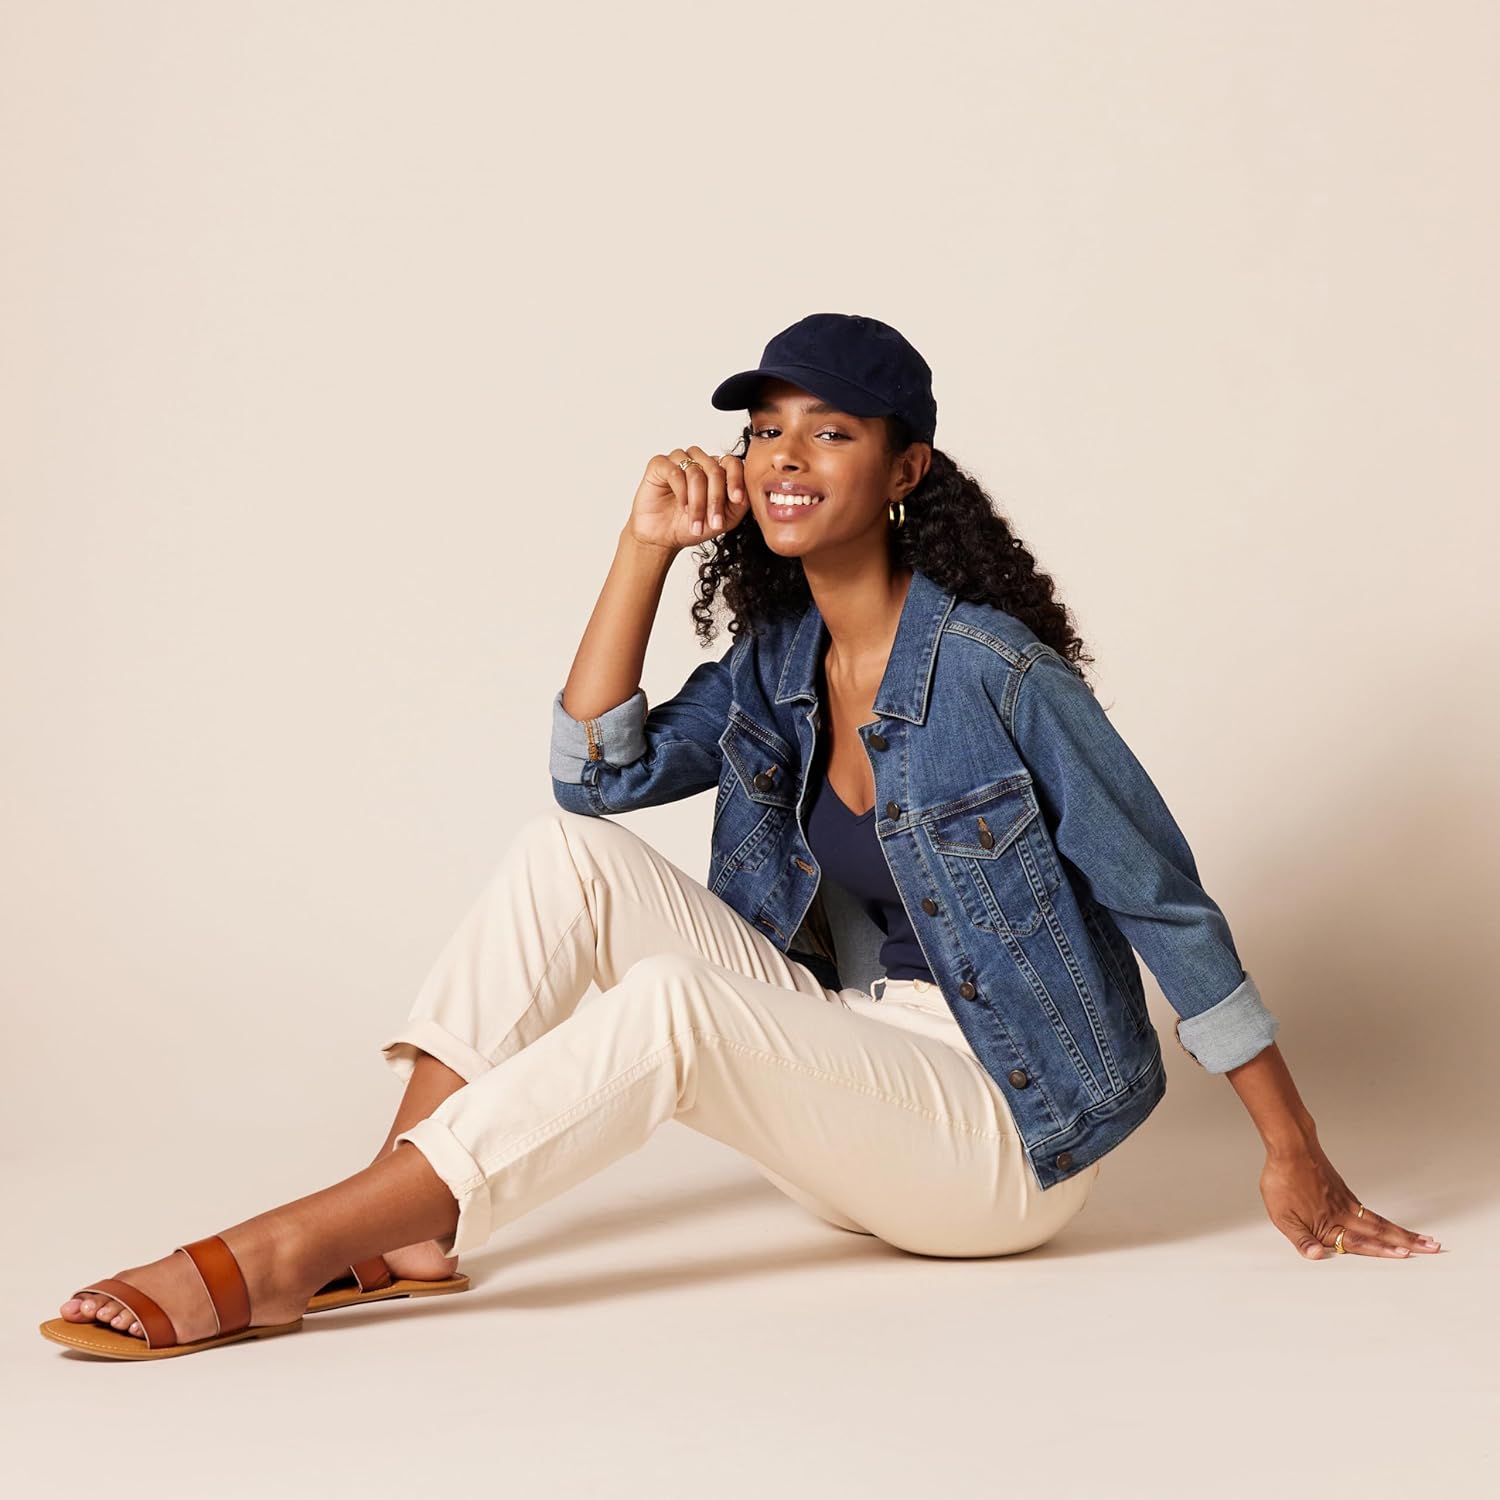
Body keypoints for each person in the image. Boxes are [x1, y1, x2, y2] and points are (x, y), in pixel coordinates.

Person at [41, 312, 1441, 1361]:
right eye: (766, 430)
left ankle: (289, 1250)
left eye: (829, 432)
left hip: (996, 1144)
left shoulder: (1002, 676)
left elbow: (1165, 906)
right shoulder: (778, 663)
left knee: (671, 1004)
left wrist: (1294, 1151)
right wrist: (642, 546)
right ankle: (400, 1222)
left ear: (905, 468)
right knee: (562, 862)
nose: (784, 457)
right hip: (848, 1082)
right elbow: (594, 781)